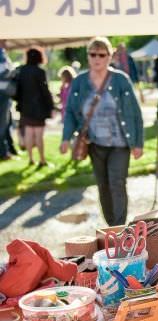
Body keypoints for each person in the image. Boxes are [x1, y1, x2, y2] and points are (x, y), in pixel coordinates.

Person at [60, 37, 143, 227]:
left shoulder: (121, 80)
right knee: (103, 185)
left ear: (109, 56)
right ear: (88, 56)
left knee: (117, 182)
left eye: (101, 55)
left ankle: (120, 227)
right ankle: (111, 225)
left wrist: (138, 143)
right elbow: (71, 112)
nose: (97, 59)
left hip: (120, 143)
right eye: (92, 54)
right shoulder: (80, 81)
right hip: (95, 144)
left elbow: (135, 113)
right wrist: (66, 138)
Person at [15, 48, 54, 167]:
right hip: (39, 108)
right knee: (38, 135)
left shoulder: (21, 71)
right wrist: (51, 106)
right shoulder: (39, 72)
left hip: (25, 107)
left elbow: (17, 91)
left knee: (28, 134)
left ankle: (31, 159)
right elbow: (45, 91)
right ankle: (42, 160)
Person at [0, 40, 13, 160]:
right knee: (2, 125)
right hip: (2, 94)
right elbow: (4, 72)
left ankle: (6, 150)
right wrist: (14, 73)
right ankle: (3, 152)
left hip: (3, 94)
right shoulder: (1, 54)